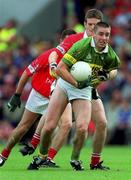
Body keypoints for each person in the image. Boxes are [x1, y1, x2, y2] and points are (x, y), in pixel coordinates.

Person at [27, 21, 120, 171]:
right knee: (49, 126)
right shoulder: (81, 46)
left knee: (83, 128)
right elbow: (60, 69)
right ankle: (42, 156)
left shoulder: (109, 54)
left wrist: (107, 75)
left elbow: (114, 69)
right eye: (101, 34)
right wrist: (76, 84)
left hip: (84, 89)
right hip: (65, 85)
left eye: (107, 34)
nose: (104, 38)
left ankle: (75, 159)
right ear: (94, 34)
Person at [0, 29, 76, 167]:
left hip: (59, 95)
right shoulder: (49, 55)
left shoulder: (76, 60)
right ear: (61, 42)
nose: (69, 45)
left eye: (72, 41)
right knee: (22, 128)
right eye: (67, 41)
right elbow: (26, 73)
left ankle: (47, 159)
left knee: (66, 124)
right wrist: (17, 95)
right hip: (39, 94)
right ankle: (3, 154)